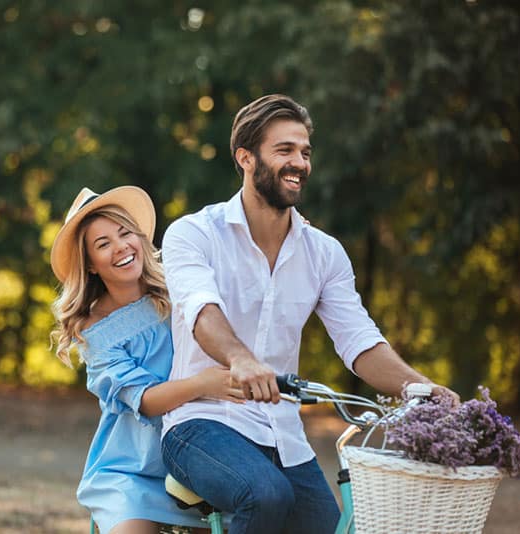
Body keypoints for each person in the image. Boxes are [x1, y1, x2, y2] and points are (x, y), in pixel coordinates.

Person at [160, 94, 459, 534]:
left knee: (335, 527)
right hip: (201, 423)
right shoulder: (194, 233)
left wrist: (418, 385)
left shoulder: (324, 253)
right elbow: (202, 311)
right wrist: (240, 359)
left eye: (304, 152)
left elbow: (360, 341)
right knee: (265, 496)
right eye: (284, 150)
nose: (298, 162)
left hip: (283, 435)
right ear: (245, 158)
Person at [49, 185, 245, 534]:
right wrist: (203, 384)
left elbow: (238, 269)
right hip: (132, 468)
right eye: (103, 244)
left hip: (196, 456)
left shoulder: (180, 289)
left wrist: (280, 232)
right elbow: (144, 399)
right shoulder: (96, 331)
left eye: (125, 233)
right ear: (90, 265)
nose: (121, 247)